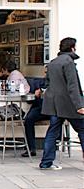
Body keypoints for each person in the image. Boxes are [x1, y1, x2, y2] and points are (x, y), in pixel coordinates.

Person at [39, 37, 84, 170]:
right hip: (67, 103)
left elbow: (47, 83)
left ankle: (46, 162)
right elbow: (73, 86)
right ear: (72, 48)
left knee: (52, 132)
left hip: (53, 103)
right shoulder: (68, 62)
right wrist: (79, 105)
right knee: (82, 129)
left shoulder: (52, 62)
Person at [22, 65, 50, 157]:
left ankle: (50, 149)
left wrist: (42, 91)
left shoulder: (57, 82)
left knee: (56, 124)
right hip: (40, 107)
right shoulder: (39, 82)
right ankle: (31, 148)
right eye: (45, 72)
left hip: (52, 109)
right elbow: (30, 100)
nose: (46, 74)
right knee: (28, 120)